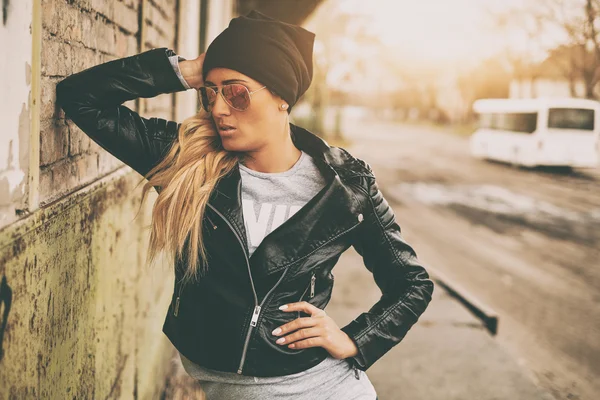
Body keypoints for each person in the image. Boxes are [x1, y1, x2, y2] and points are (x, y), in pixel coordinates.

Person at [56, 10, 434, 400]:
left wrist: (354, 340)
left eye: (236, 93)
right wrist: (189, 70)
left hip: (319, 388)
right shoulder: (186, 160)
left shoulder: (346, 188)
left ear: (281, 99)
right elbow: (81, 98)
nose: (219, 108)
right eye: (211, 91)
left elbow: (412, 283)